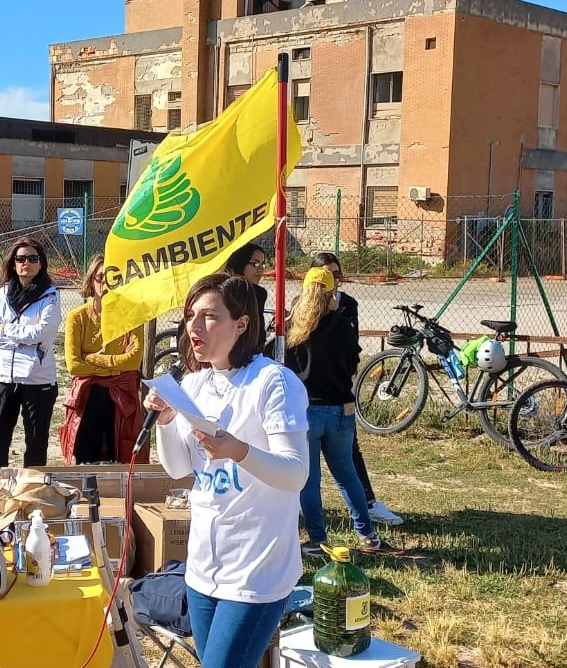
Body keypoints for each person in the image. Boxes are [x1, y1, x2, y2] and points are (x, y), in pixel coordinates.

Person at [143, 274, 309, 668]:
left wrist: (237, 450)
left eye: (209, 317)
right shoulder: (195, 383)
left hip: (256, 570)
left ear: (242, 323)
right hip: (203, 567)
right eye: (189, 316)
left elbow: (295, 473)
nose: (194, 327)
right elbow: (180, 467)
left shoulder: (273, 383)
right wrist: (166, 422)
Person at [285, 267, 391, 556]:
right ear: (333, 294)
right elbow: (354, 363)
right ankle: (368, 536)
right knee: (347, 475)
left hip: (307, 412)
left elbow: (283, 369)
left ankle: (318, 540)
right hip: (341, 410)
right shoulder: (343, 325)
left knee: (310, 480)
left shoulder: (293, 328)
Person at [310, 252, 403, 527]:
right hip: (311, 397)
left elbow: (352, 349)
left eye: (337, 275)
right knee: (308, 462)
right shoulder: (300, 305)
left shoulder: (347, 305)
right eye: (327, 274)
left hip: (338, 394)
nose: (333, 281)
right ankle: (309, 521)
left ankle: (368, 505)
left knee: (349, 454)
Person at [0, 239, 61, 489]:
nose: (26, 263)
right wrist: (21, 338)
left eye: (32, 258)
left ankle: (32, 492)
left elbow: (41, 333)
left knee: (36, 443)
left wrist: (7, 329)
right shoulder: (3, 294)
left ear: (41, 263)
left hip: (38, 380)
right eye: (21, 258)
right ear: (13, 264)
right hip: (3, 378)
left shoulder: (51, 295)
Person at [60, 254, 145, 464]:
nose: (106, 283)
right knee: (87, 455)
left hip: (123, 395)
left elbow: (134, 361)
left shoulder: (132, 317)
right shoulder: (77, 317)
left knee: (124, 455)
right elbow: (74, 365)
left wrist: (95, 360)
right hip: (88, 395)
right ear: (91, 281)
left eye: (113, 277)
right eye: (100, 277)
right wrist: (116, 366)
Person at [222, 242, 268, 318]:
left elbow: (259, 328)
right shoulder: (222, 291)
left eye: (262, 264)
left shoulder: (259, 293)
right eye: (255, 264)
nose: (260, 269)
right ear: (240, 263)